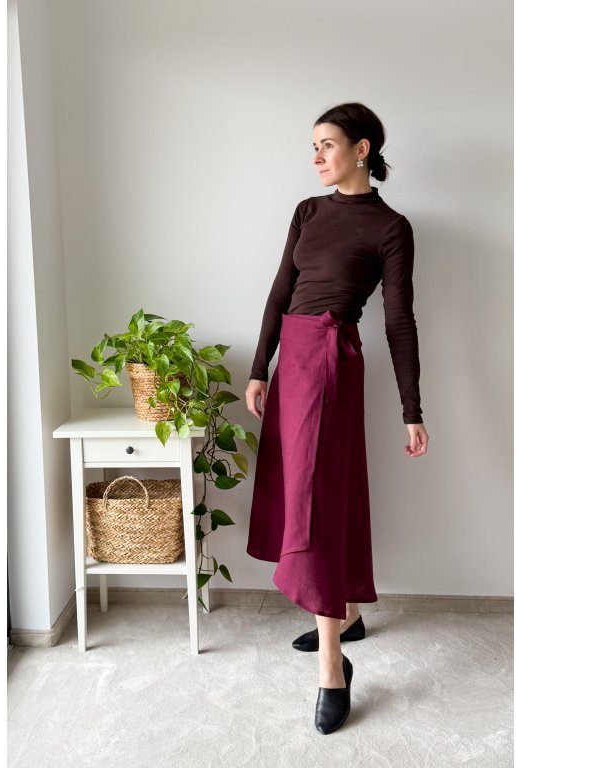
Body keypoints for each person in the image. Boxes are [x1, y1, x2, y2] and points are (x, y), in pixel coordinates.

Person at [244, 102, 429, 735]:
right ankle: (345, 615)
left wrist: (412, 409)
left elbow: (399, 321)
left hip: (331, 363)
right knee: (316, 494)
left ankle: (332, 666)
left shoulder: (391, 228)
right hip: (292, 365)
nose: (317, 156)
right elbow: (279, 292)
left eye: (327, 144)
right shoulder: (307, 212)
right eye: (314, 146)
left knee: (319, 504)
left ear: (362, 149)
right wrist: (260, 368)